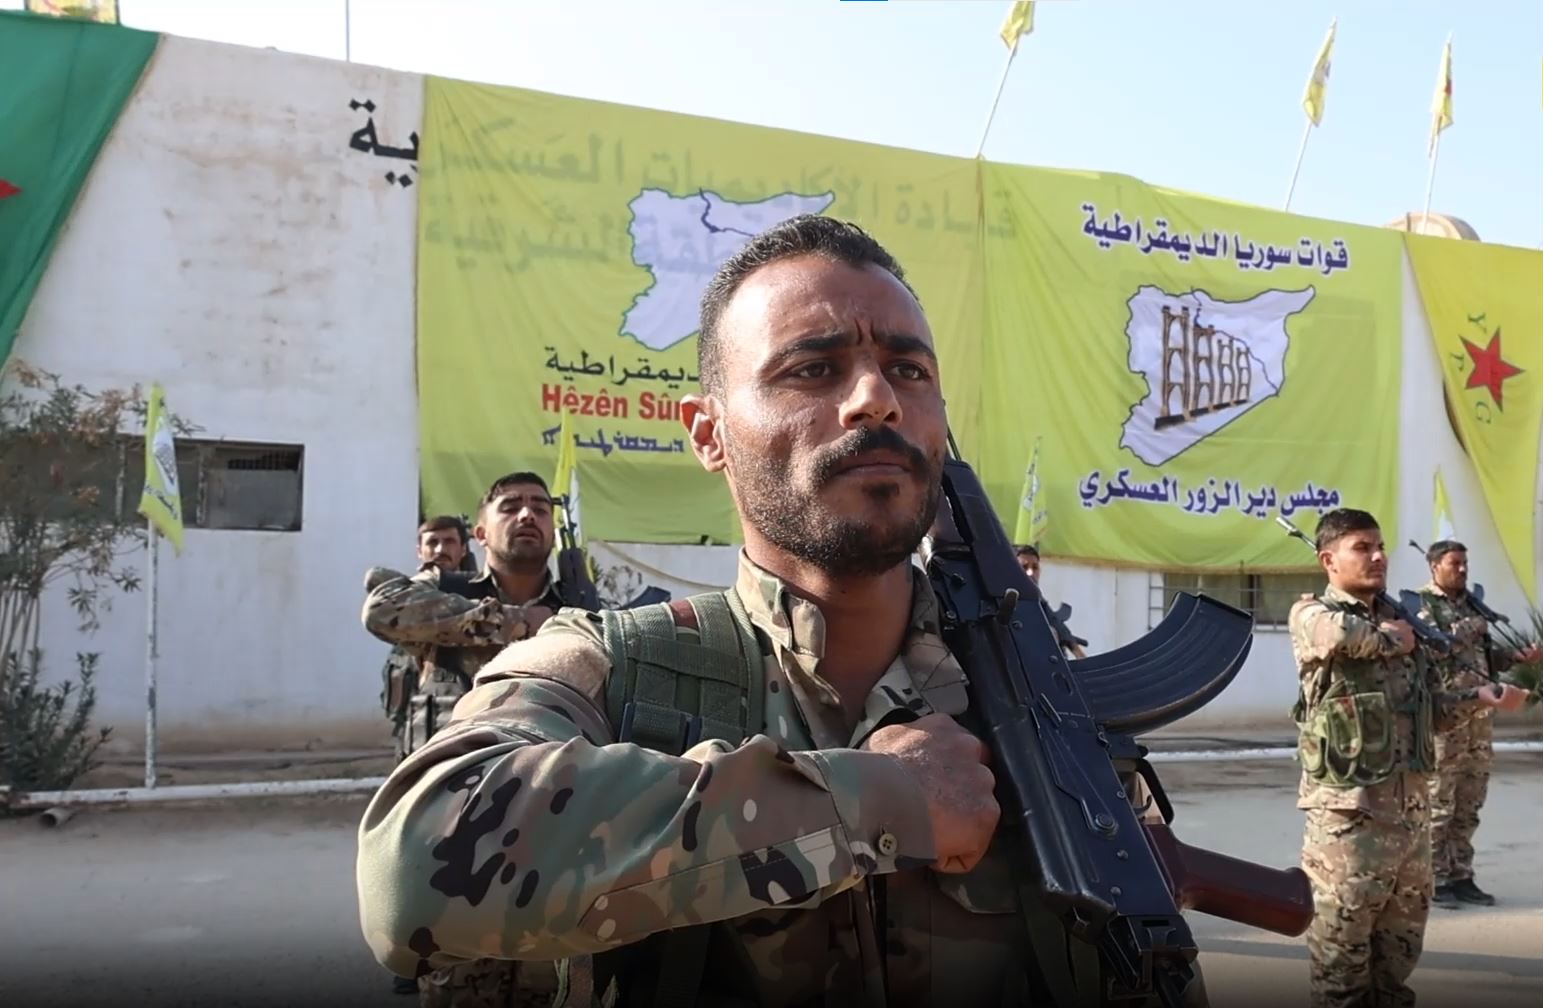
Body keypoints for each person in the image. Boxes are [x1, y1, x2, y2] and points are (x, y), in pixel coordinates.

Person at [357, 216, 1201, 1006]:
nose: (877, 397)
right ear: (708, 431)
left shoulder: (1029, 683)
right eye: (813, 368)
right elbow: (416, 861)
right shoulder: (608, 664)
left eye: (911, 371)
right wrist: (878, 800)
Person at [1288, 510, 1527, 1008]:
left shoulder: (1401, 623)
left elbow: (1430, 713)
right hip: (1349, 828)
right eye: (1362, 547)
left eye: (1380, 546)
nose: (1378, 556)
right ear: (1328, 559)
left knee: (1395, 974)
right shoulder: (1313, 614)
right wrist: (1395, 638)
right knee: (1342, 977)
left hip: (1411, 827)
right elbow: (1335, 636)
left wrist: (1482, 697)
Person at [363, 476, 572, 1008]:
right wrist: (515, 623)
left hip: (548, 836)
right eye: (511, 506)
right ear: (480, 531)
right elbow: (382, 609)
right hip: (451, 837)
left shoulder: (581, 608)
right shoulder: (447, 596)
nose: (528, 515)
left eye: (540, 507)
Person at [1412, 540, 1539, 907]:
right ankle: (1435, 879)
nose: (1463, 570)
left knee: (1470, 802)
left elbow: (1483, 658)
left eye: (1465, 563)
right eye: (1455, 563)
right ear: (1435, 566)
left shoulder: (1470, 603)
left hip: (1480, 721)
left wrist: (1515, 656)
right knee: (1440, 802)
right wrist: (1466, 630)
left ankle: (1461, 875)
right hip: (1446, 719)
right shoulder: (1421, 607)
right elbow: (1430, 655)